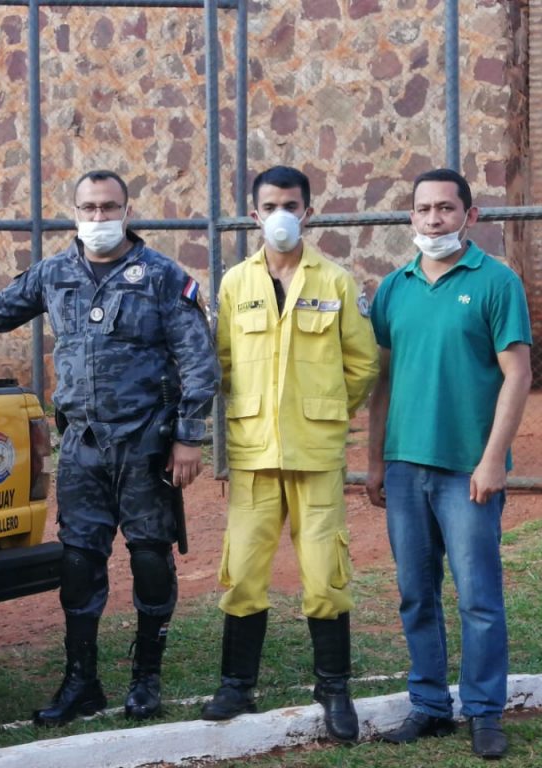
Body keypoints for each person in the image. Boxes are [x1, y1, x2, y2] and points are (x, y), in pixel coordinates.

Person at [0, 169, 219, 726]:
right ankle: (82, 683)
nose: (99, 218)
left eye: (109, 207)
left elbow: (199, 360)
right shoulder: (55, 273)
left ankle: (145, 680)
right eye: (89, 207)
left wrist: (187, 437)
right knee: (79, 565)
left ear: (127, 211)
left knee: (151, 559)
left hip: (144, 445)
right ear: (74, 212)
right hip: (81, 446)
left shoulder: (161, 277)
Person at [201, 166, 379, 744]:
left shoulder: (335, 280)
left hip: (317, 451)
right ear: (253, 213)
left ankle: (333, 688)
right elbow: (222, 364)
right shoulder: (234, 284)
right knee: (245, 574)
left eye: (292, 204)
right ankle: (235, 685)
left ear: (309, 212)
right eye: (270, 203)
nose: (281, 213)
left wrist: (325, 411)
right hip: (254, 454)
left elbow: (363, 363)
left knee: (325, 576)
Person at [366, 168, 533, 759]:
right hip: (405, 469)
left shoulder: (496, 283)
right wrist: (375, 460)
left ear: (471, 215)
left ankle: (485, 713)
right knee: (416, 593)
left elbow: (518, 373)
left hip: (468, 469)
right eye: (423, 209)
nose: (433, 219)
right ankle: (430, 706)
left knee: (478, 597)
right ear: (410, 217)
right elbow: (382, 381)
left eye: (445, 208)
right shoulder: (394, 288)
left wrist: (492, 461)